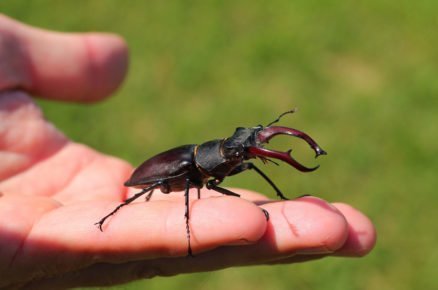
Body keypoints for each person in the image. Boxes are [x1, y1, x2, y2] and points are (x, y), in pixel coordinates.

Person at [0, 14, 376, 288]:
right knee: (161, 184)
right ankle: (116, 212)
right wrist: (158, 215)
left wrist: (265, 169)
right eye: (234, 152)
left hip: (193, 167)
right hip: (163, 175)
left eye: (238, 152)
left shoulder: (218, 163)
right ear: (215, 156)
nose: (239, 155)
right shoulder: (189, 165)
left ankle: (276, 196)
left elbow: (234, 164)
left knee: (241, 178)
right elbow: (172, 186)